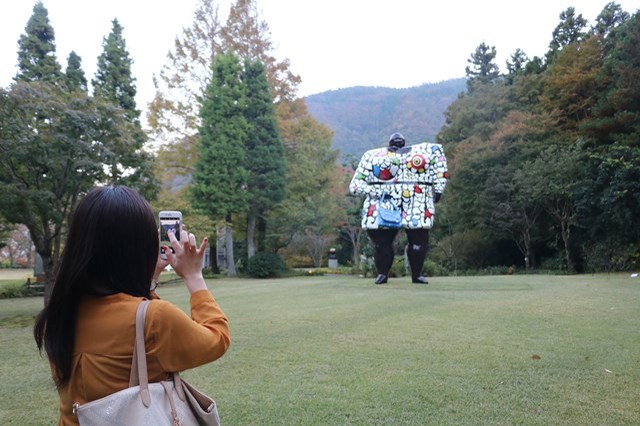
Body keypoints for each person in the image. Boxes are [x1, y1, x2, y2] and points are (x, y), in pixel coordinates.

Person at [33, 186, 231, 425]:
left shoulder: (59, 315)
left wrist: (150, 276)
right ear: (141, 247)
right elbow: (216, 339)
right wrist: (193, 277)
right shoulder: (155, 318)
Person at [349, 132, 448, 285]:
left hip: (417, 198)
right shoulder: (372, 156)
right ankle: (383, 273)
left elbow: (440, 170)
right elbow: (355, 185)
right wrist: (377, 192)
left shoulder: (427, 152)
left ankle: (416, 275)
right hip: (384, 202)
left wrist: (439, 188)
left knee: (418, 239)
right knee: (382, 242)